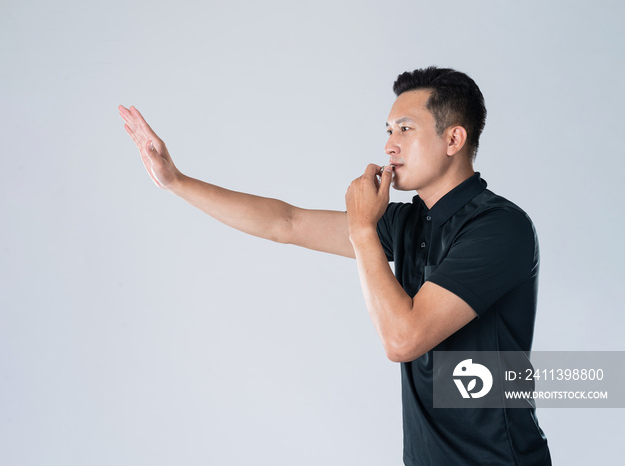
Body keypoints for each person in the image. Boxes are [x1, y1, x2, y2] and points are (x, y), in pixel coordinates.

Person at [119, 66, 551, 465]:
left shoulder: (499, 228)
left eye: (405, 128)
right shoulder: (411, 221)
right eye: (387, 130)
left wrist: (364, 229)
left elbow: (402, 339)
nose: (389, 145)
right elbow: (285, 222)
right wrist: (176, 181)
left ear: (453, 140)